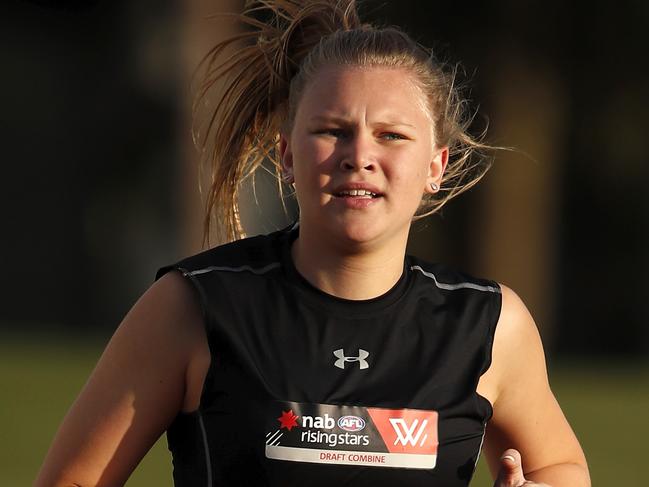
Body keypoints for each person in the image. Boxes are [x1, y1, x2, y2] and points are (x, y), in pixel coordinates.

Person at [35, 1, 590, 486]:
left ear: (435, 166)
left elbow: (561, 466)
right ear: (286, 156)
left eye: (392, 135)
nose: (360, 156)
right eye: (332, 130)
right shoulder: (192, 307)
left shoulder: (489, 323)